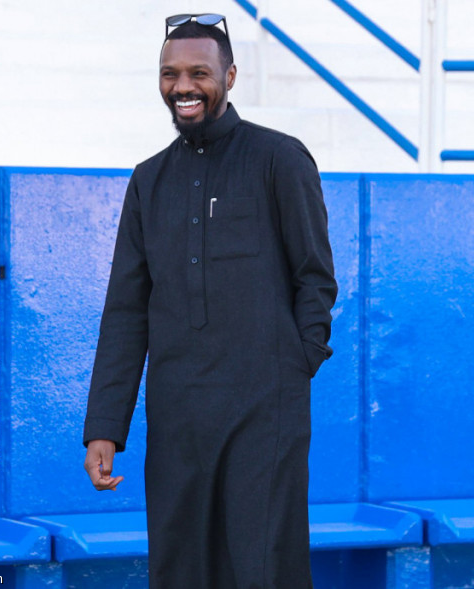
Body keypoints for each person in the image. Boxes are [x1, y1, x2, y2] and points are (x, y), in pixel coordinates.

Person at [81, 14, 336, 588]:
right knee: (180, 567)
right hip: (177, 413)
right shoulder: (148, 180)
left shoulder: (279, 158)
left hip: (263, 410)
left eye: (198, 72)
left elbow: (315, 277)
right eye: (169, 74)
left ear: (230, 76)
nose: (183, 86)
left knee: (263, 565)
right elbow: (125, 311)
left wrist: (296, 362)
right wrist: (105, 426)